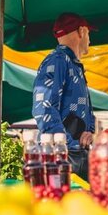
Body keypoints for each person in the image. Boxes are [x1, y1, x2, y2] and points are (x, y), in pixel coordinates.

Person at [32, 12, 97, 181]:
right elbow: (43, 108)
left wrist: (88, 132)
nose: (90, 39)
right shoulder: (58, 61)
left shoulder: (71, 64)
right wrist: (64, 146)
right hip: (63, 156)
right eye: (89, 33)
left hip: (76, 154)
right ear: (82, 31)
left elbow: (78, 109)